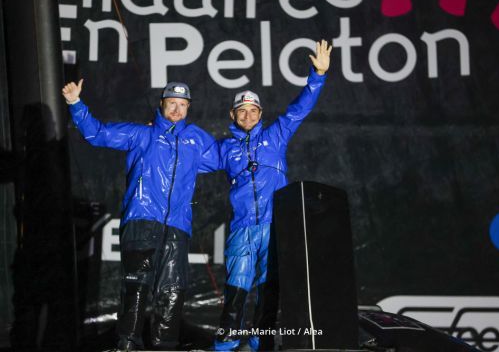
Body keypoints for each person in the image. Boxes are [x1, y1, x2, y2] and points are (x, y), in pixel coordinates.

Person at [61, 80, 218, 351]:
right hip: (142, 219)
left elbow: (225, 158)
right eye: (172, 104)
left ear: (188, 108)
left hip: (177, 226)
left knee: (172, 290)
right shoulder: (141, 134)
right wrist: (76, 103)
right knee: (136, 284)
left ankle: (165, 346)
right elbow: (98, 134)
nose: (177, 110)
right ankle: (128, 344)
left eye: (182, 105)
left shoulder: (196, 139)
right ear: (161, 104)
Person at [214, 39, 332, 351]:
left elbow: (299, 109)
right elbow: (186, 159)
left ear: (261, 113)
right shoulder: (225, 148)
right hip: (243, 227)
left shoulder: (275, 135)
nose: (248, 115)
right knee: (236, 287)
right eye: (242, 111)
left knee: (270, 289)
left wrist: (317, 75)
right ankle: (226, 345)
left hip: (275, 226)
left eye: (253, 110)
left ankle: (261, 344)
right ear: (233, 114)